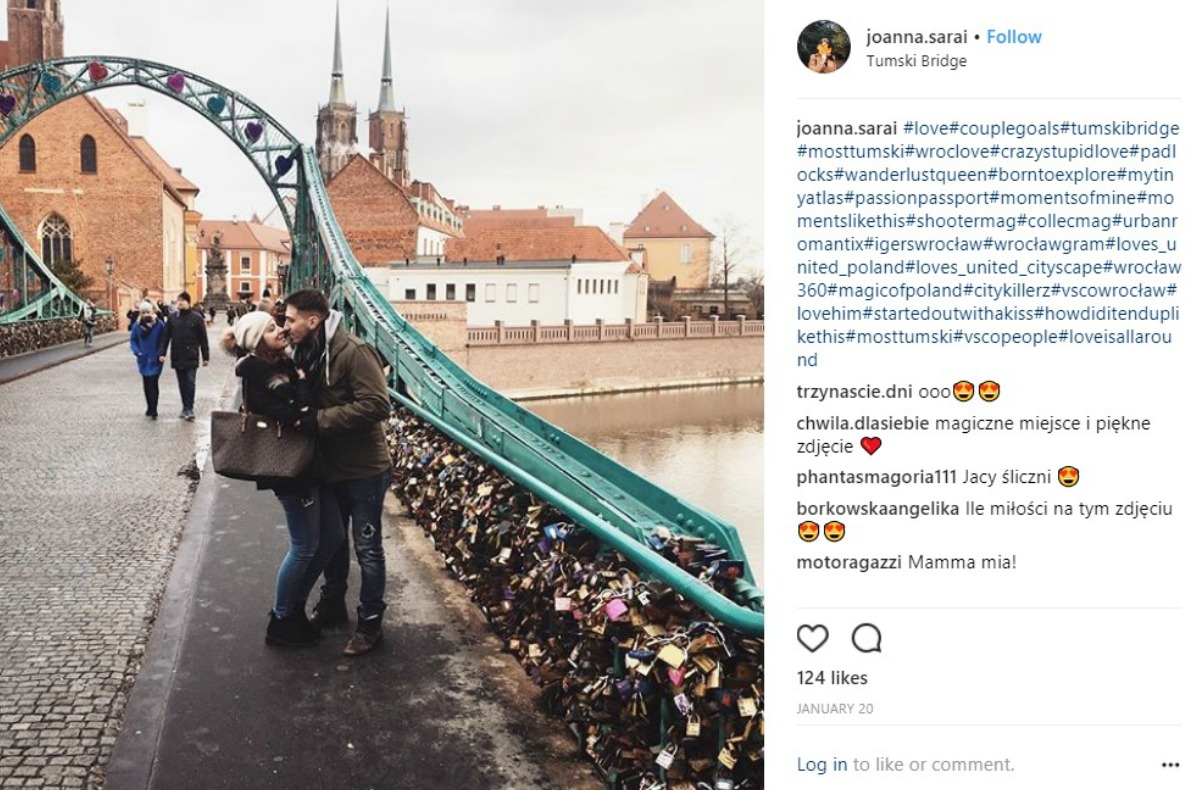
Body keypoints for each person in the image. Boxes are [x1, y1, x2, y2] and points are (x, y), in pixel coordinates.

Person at [220, 311, 343, 647]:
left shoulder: (283, 365)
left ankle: (292, 609)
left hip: (313, 464)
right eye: (272, 328)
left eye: (279, 324)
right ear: (258, 339)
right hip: (290, 471)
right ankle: (282, 618)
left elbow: (307, 407)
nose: (282, 330)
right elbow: (298, 413)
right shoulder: (258, 376)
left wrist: (302, 393)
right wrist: (302, 389)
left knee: (332, 537)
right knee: (304, 547)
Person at [285, 289, 393, 656]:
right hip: (329, 468)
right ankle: (333, 605)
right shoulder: (305, 353)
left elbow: (378, 405)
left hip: (365, 469)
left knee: (367, 548)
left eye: (290, 319)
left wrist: (319, 420)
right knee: (333, 542)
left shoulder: (354, 352)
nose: (286, 325)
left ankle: (370, 623)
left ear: (312, 321)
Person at [157, 291, 209, 421]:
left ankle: (189, 408)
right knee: (182, 383)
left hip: (191, 354)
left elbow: (203, 338)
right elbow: (166, 337)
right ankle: (184, 406)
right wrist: (162, 353)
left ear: (188, 302)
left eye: (183, 300)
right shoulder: (173, 318)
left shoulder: (197, 318)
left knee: (190, 382)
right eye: (179, 300)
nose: (180, 302)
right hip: (177, 354)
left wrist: (205, 356)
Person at [129, 301, 165, 419]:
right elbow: (133, 340)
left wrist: (161, 353)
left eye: (147, 312)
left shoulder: (159, 325)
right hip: (143, 358)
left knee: (153, 383)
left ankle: (154, 408)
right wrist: (137, 352)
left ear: (152, 312)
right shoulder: (137, 325)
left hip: (155, 358)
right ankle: (149, 406)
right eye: (143, 312)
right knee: (146, 383)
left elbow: (163, 341)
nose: (145, 314)